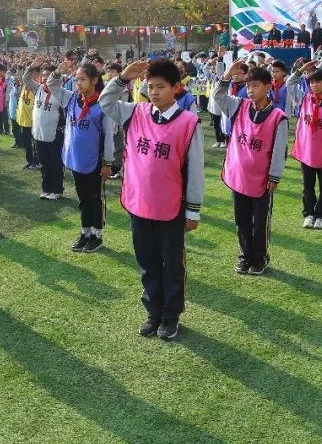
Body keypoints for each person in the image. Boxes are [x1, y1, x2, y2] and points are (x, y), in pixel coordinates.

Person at [99, 57, 205, 340]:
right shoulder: (136, 113)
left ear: (176, 88)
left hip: (170, 208)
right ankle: (153, 311)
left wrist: (192, 211)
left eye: (161, 86)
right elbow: (105, 103)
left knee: (171, 264)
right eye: (150, 86)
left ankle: (171, 316)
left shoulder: (188, 123)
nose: (154, 92)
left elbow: (195, 170)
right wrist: (122, 79)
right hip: (139, 204)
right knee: (147, 263)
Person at [213, 63, 288, 275]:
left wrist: (274, 176)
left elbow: (279, 149)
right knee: (242, 220)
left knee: (260, 222)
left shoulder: (277, 116)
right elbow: (218, 97)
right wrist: (227, 75)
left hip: (262, 180)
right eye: (249, 86)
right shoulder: (239, 106)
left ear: (268, 87)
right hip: (239, 177)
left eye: (256, 86)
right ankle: (245, 255)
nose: (251, 91)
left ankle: (259, 257)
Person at [58, 61, 116, 254]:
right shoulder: (73, 98)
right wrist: (58, 72)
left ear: (94, 80)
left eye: (82, 79)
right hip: (76, 159)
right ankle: (85, 232)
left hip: (95, 161)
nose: (78, 83)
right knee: (82, 198)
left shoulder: (102, 105)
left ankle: (97, 235)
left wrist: (108, 163)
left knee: (95, 198)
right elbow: (52, 87)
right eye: (76, 79)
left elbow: (108, 136)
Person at [288, 62, 322, 229]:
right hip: (306, 151)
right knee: (307, 186)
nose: (314, 85)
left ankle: (321, 216)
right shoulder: (304, 99)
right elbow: (290, 84)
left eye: (318, 82)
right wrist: (301, 70)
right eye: (311, 82)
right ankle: (309, 213)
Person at [27, 60, 72, 200]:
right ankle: (46, 189)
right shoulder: (38, 88)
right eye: (44, 75)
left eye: (49, 75)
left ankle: (57, 190)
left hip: (55, 134)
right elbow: (26, 79)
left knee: (55, 163)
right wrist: (32, 67)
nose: (45, 78)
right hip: (39, 134)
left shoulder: (61, 94)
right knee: (44, 162)